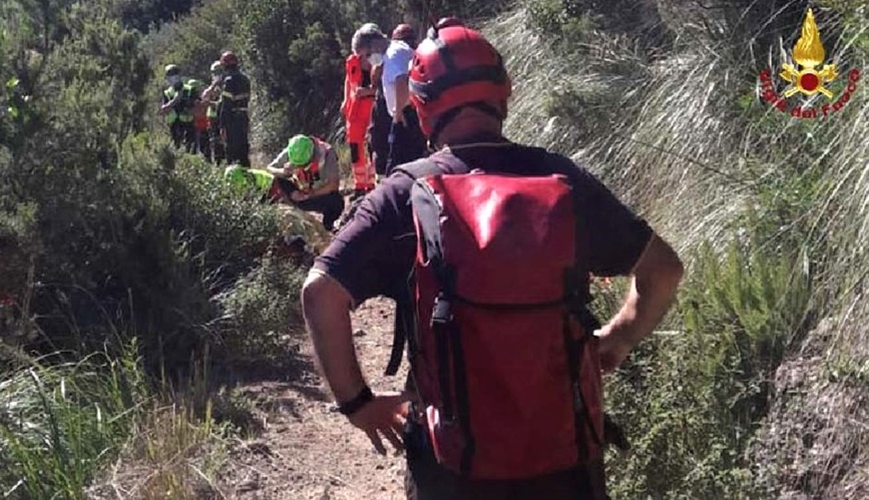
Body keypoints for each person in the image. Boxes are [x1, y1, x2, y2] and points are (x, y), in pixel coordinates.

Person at [301, 23, 684, 500]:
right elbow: (663, 270)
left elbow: (320, 293)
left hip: (453, 468)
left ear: (421, 107)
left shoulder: (403, 193)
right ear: (505, 95)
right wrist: (618, 338)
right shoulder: (562, 178)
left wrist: (358, 403)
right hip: (564, 459)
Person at [355, 23, 428, 177]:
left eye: (367, 54)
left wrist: (399, 113)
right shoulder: (393, 52)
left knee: (401, 164)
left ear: (374, 44)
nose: (368, 60)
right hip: (406, 114)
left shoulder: (393, 55)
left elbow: (402, 80)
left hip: (406, 116)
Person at [265, 134, 345, 231]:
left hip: (316, 195)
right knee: (276, 180)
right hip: (297, 192)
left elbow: (333, 185)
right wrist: (284, 172)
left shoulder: (327, 153)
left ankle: (328, 226)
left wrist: (311, 194)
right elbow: (269, 169)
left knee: (336, 202)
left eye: (303, 164)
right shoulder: (294, 149)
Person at [218, 51, 251, 167]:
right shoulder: (245, 79)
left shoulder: (229, 81)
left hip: (232, 121)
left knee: (232, 153)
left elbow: (226, 106)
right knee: (243, 151)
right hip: (243, 118)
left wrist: (222, 126)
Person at [159, 64, 195, 150]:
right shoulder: (167, 93)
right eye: (170, 74)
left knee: (190, 149)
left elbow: (198, 107)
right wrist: (175, 100)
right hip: (174, 127)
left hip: (189, 125)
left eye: (175, 73)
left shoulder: (189, 89)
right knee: (177, 149)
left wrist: (189, 109)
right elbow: (163, 110)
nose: (174, 77)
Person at [202, 60, 226, 165]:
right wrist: (212, 87)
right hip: (212, 117)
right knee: (214, 141)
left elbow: (222, 103)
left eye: (219, 72)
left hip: (222, 116)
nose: (216, 75)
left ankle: (223, 162)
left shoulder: (226, 85)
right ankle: (217, 163)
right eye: (214, 73)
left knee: (222, 140)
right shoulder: (212, 87)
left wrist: (210, 103)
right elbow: (204, 96)